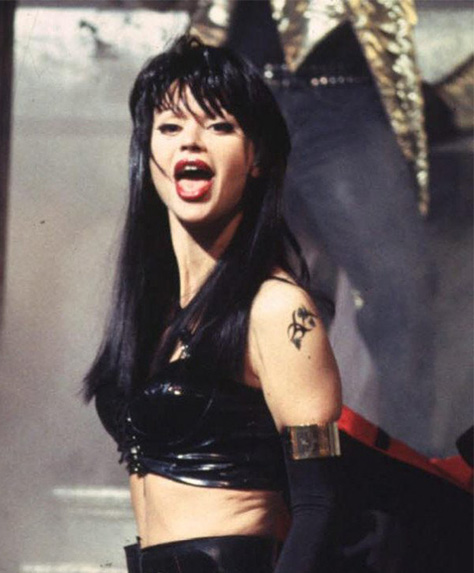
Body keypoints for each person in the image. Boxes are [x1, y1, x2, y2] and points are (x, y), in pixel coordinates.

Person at [87, 36, 344, 572]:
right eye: (170, 127)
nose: (191, 142)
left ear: (257, 158)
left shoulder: (277, 310)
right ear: (146, 153)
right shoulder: (154, 310)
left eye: (220, 126)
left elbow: (320, 505)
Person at [188, 0, 436, 453]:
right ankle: (239, 468)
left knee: (400, 294)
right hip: (238, 89)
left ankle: (402, 475)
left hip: (342, 93)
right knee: (233, 294)